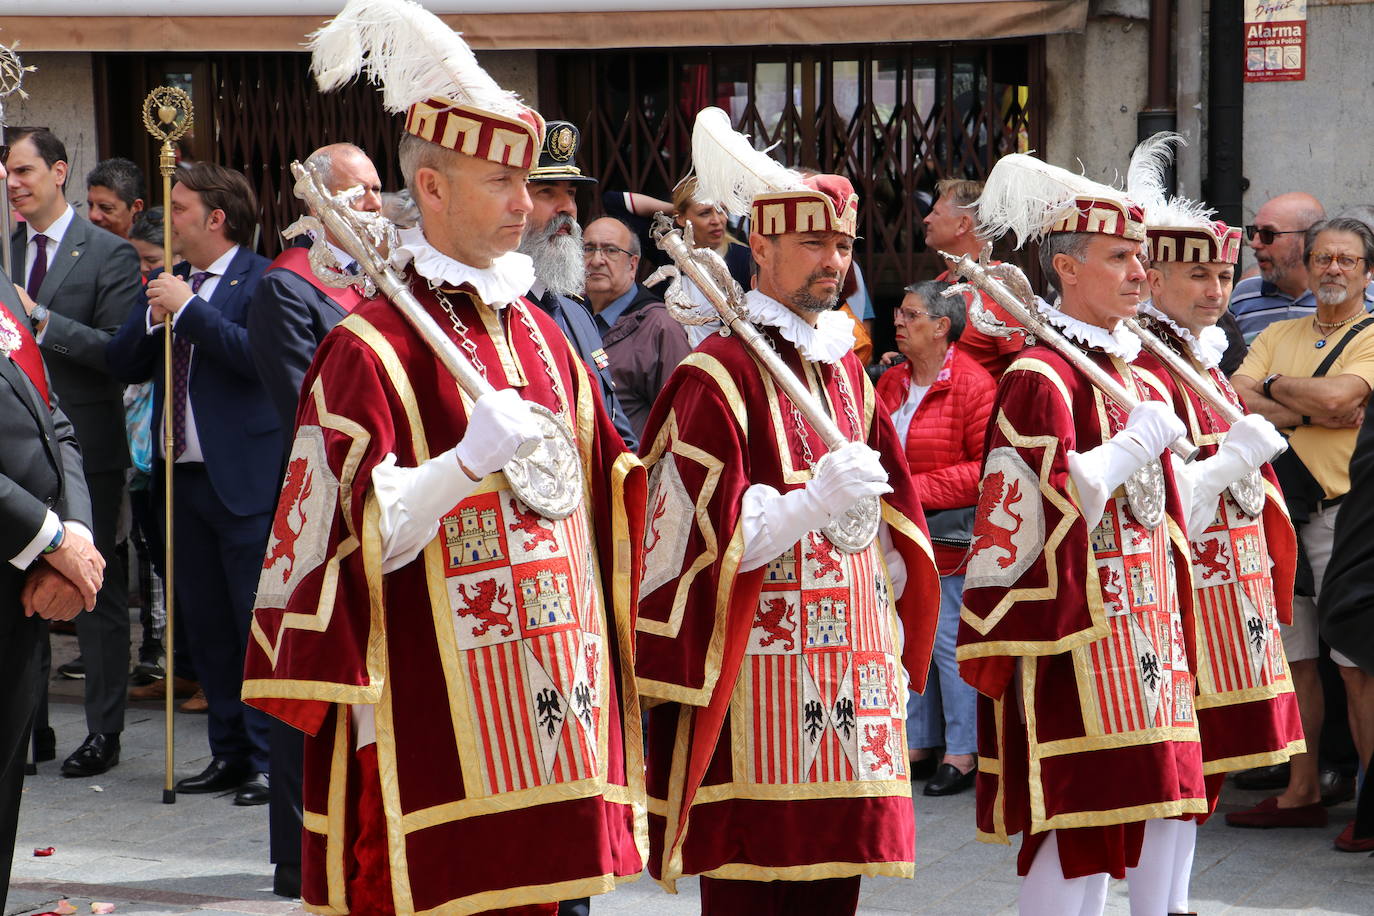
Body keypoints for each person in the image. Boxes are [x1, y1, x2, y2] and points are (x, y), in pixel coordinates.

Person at [242, 4, 647, 912]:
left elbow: (612, 491)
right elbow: (332, 548)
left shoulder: (545, 336)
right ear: (429, 187)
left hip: (559, 722)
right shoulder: (369, 347)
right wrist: (463, 465)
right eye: (503, 183)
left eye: (529, 185)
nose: (527, 206)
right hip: (435, 729)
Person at [635, 108, 940, 915]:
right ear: (759, 248)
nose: (834, 261)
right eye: (814, 244)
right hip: (758, 683)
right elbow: (680, 547)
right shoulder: (718, 373)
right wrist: (811, 501)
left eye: (843, 245)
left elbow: (891, 517)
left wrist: (896, 618)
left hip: (851, 671)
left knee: (839, 883)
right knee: (755, 887)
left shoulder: (844, 368)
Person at [956, 153, 1206, 915]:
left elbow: (1166, 512)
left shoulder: (1138, 373)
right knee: (1077, 813)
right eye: (1122, 259)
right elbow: (1026, 513)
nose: (1141, 274)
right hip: (1079, 633)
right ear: (1067, 268)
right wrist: (1131, 448)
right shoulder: (1041, 374)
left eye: (1141, 259)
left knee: (1163, 796)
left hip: (1149, 628)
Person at [1122, 136, 1302, 912]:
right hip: (1174, 586)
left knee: (1203, 763)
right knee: (1167, 766)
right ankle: (1151, 903)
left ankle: (1175, 899)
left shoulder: (1197, 358)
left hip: (1226, 586)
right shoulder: (1137, 364)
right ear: (1150, 276)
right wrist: (1232, 463)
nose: (1215, 288)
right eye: (1197, 274)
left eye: (1225, 273)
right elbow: (1146, 500)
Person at [106, 161, 281, 806]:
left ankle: (267, 757)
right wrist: (156, 317)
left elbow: (256, 358)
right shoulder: (168, 282)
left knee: (250, 620)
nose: (169, 218)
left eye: (180, 209)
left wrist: (191, 313)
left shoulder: (262, 279)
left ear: (216, 218)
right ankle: (228, 751)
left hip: (243, 479)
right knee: (204, 623)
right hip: (178, 481)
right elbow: (119, 359)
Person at [245, 141, 383, 899]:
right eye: (355, 192)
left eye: (374, 190)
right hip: (316, 505)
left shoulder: (378, 281)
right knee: (313, 680)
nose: (370, 203)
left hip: (381, 506)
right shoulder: (285, 289)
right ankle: (298, 856)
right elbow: (307, 405)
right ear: (314, 203)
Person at [1228, 217, 1374, 830]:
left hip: (1348, 519)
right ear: (1307, 265)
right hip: (1281, 510)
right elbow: (1232, 397)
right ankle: (1303, 788)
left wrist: (1276, 392)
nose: (1332, 269)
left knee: (1357, 663)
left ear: (1367, 271)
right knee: (1295, 659)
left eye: (1346, 259)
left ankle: (1370, 803)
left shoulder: (1372, 334)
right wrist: (1305, 407)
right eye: (1322, 258)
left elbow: (1348, 398)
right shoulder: (1280, 333)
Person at [6, 127, 142, 778]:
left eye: (25, 170)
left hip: (86, 443)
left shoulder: (108, 253)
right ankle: (31, 728)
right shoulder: (6, 250)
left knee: (91, 586)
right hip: (16, 460)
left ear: (59, 172)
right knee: (23, 584)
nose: (13, 182)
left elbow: (121, 352)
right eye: (7, 172)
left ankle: (102, 729)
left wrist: (45, 323)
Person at [0, 234, 104, 911]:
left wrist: (75, 538)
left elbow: (53, 422)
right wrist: (45, 537)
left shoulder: (4, 289)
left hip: (25, 592)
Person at [875, 279, 994, 797]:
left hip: (947, 535)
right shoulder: (892, 382)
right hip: (896, 531)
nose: (899, 322)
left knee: (946, 640)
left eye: (911, 314)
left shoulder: (973, 384)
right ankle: (919, 742)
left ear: (943, 326)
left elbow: (984, 469)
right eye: (899, 314)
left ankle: (963, 752)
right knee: (904, 635)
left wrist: (909, 490)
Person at [517, 120, 636, 449]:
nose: (567, 208)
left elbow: (614, 428)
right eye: (547, 192)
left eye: (570, 193)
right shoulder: (502, 308)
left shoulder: (576, 310)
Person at [582, 215, 690, 440]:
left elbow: (682, 421)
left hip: (635, 469)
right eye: (588, 249)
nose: (596, 260)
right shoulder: (569, 316)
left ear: (633, 264)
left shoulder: (661, 328)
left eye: (610, 250)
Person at [1228, 193, 1374, 344]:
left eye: (1268, 234)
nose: (1254, 244)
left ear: (1309, 238)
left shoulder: (1366, 298)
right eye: (1254, 232)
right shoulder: (1243, 295)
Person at [921, 178, 1024, 376]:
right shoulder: (939, 283)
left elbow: (1024, 374)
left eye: (936, 212)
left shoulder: (1003, 291)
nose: (927, 219)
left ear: (962, 224)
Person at [86, 157, 146, 241]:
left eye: (106, 208)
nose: (93, 215)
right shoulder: (83, 249)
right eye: (91, 205)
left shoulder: (155, 250)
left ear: (136, 207)